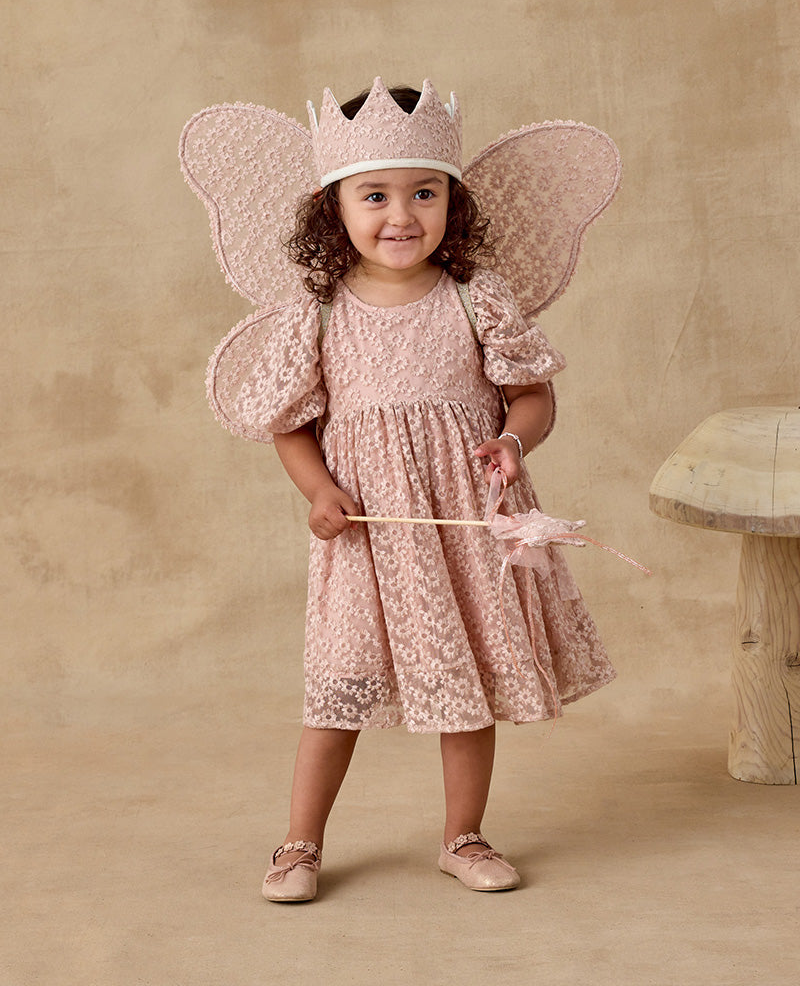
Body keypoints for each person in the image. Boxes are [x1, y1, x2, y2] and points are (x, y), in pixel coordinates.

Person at [197, 79, 616, 901]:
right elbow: (291, 424)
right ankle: (298, 845)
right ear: (335, 210)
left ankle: (463, 835)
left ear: (452, 205)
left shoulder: (475, 298)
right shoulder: (318, 313)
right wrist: (318, 492)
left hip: (460, 525)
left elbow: (533, 395)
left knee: (467, 689)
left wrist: (510, 439)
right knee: (340, 686)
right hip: (365, 530)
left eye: (425, 193)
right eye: (375, 195)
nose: (402, 215)